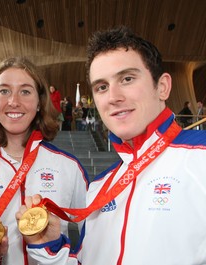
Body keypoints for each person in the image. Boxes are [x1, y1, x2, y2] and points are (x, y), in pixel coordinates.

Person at [17, 26, 206, 264]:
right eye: (102, 87)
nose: (113, 97)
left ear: (163, 87)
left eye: (127, 79)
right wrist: (50, 245)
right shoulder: (100, 186)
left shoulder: (201, 158)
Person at [0, 57, 89, 265]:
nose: (13, 101)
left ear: (40, 102)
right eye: (4, 91)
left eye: (25, 91)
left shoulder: (68, 166)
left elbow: (94, 241)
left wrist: (57, 254)